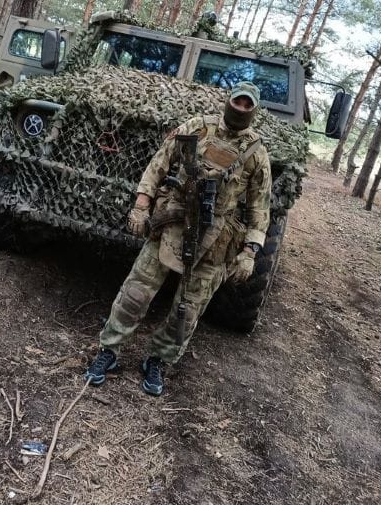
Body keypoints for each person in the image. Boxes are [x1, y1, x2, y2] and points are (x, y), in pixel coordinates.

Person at [85, 82, 272, 396]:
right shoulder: (197, 128)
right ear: (228, 101)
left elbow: (260, 207)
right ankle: (109, 350)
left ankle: (158, 360)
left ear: (254, 110)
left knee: (188, 310)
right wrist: (141, 205)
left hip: (215, 237)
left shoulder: (256, 154)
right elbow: (159, 164)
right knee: (136, 292)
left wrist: (250, 251)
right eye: (237, 102)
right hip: (174, 220)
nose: (240, 108)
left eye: (247, 105)